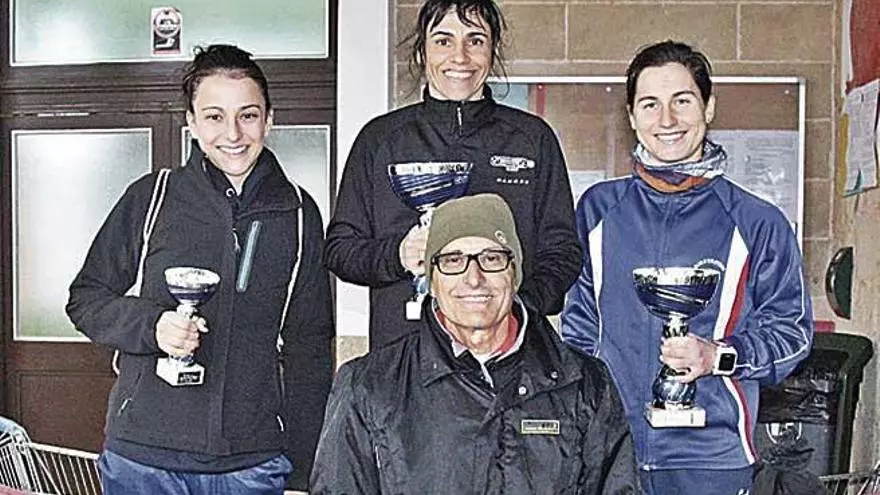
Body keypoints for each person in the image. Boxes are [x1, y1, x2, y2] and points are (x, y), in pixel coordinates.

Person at [65, 44, 334, 493]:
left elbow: (309, 345)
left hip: (252, 463)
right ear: (191, 122)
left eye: (248, 115)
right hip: (143, 459)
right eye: (214, 116)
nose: (233, 133)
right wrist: (153, 326)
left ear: (269, 120)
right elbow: (86, 299)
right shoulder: (151, 198)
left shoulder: (299, 213)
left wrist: (303, 467)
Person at [561, 40, 814, 495]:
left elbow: (792, 335)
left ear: (708, 107)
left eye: (682, 101)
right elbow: (578, 334)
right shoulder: (597, 210)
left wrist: (718, 356)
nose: (667, 120)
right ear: (631, 116)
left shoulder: (757, 222)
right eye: (650, 104)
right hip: (609, 455)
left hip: (712, 460)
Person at [311, 193, 639, 494]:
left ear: (514, 273)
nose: (473, 278)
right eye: (453, 260)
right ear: (431, 280)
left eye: (491, 258)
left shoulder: (584, 383)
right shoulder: (369, 385)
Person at [325, 0, 581, 349]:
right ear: (422, 52)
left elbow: (563, 251)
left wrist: (515, 308)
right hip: (405, 352)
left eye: (475, 40)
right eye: (443, 41)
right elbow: (340, 249)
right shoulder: (380, 139)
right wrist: (397, 256)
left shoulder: (532, 139)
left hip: (511, 354)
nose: (460, 57)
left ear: (493, 50)